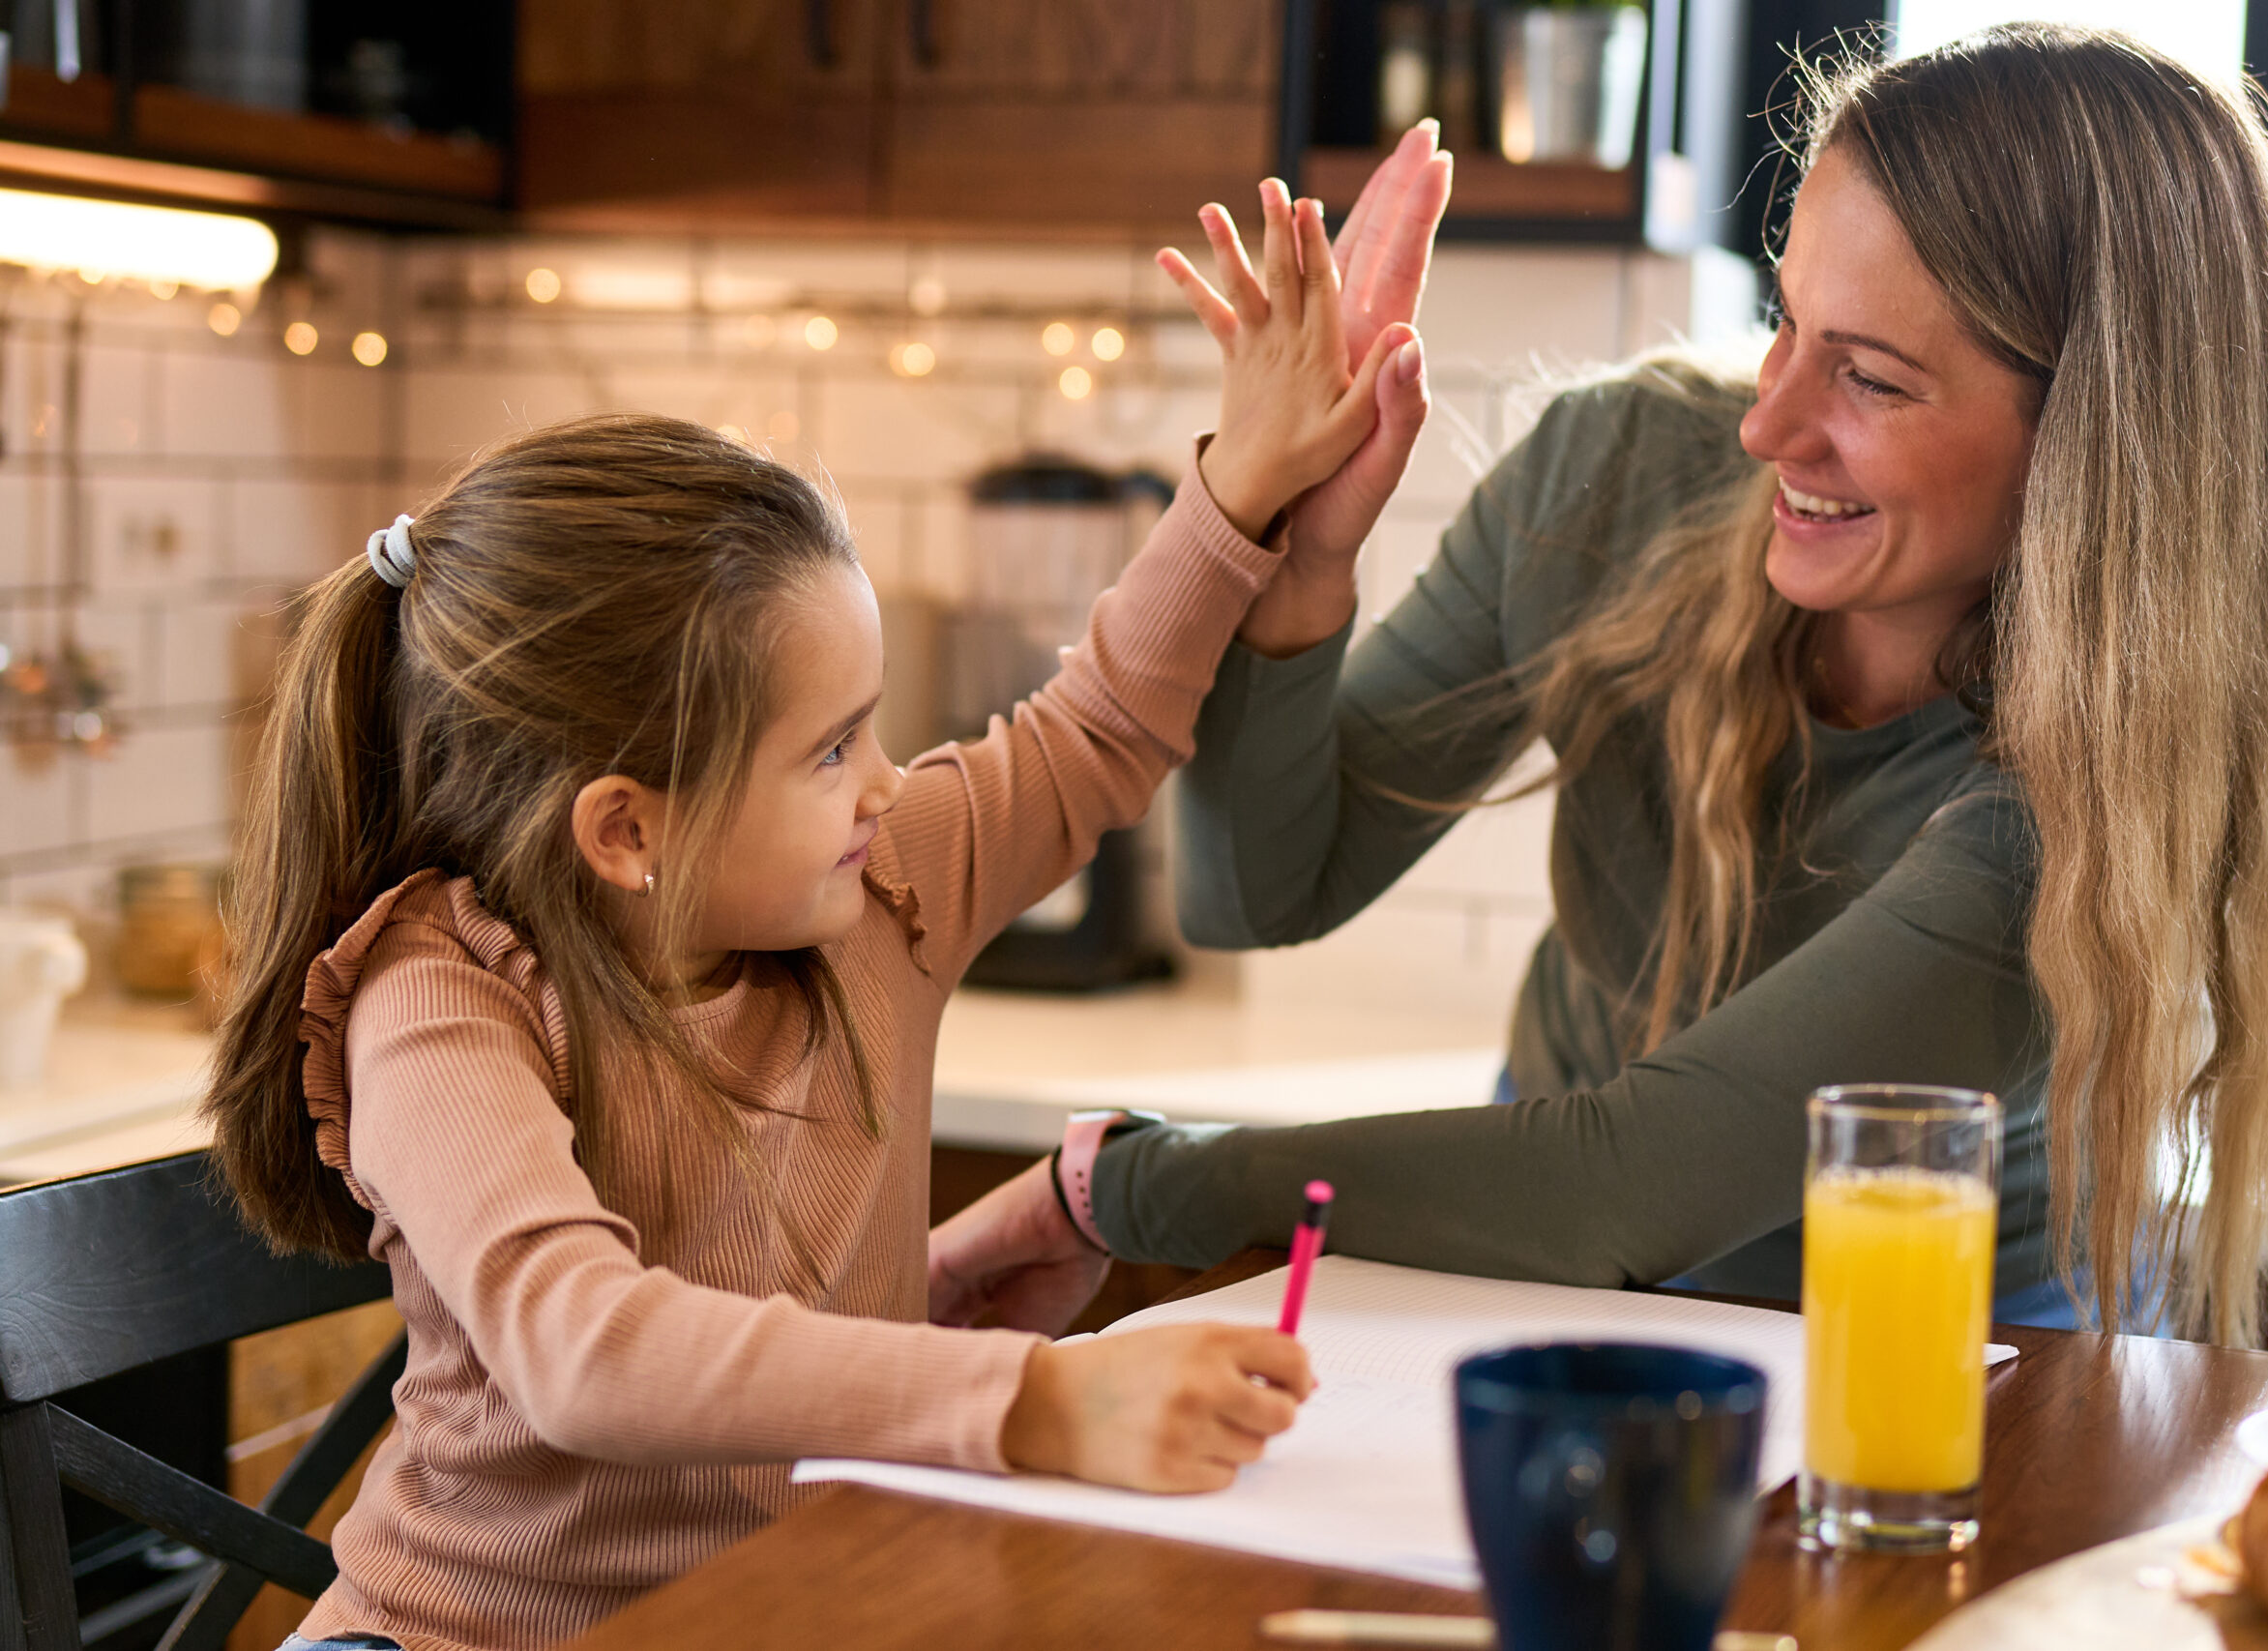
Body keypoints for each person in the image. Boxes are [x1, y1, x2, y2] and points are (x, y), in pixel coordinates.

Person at [928, 24, 2268, 1351]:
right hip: (1541, 1256)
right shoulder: (1614, 474)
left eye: (1868, 379)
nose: (1768, 421)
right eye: (1788, 324)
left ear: (2093, 447)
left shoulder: (2079, 800)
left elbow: (1624, 1182)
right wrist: (1298, 550)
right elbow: (1258, 896)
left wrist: (1111, 1187)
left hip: (1941, 1359)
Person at [203, 157, 1442, 1651]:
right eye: (831, 747)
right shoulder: (440, 997)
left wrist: (1247, 477)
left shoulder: (877, 885)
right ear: (627, 831)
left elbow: (1100, 725)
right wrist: (1031, 1401)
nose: (884, 783)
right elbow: (588, 1351)